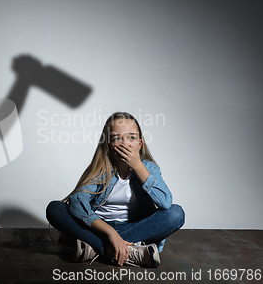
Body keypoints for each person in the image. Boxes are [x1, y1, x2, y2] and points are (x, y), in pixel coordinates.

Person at [46, 112, 184, 267]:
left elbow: (165, 202)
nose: (125, 143)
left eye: (131, 137)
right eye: (117, 138)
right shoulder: (100, 169)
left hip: (135, 227)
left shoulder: (149, 168)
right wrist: (110, 233)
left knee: (176, 213)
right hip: (100, 227)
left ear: (140, 144)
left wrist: (137, 166)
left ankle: (98, 248)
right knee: (55, 208)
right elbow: (78, 201)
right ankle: (131, 252)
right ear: (109, 146)